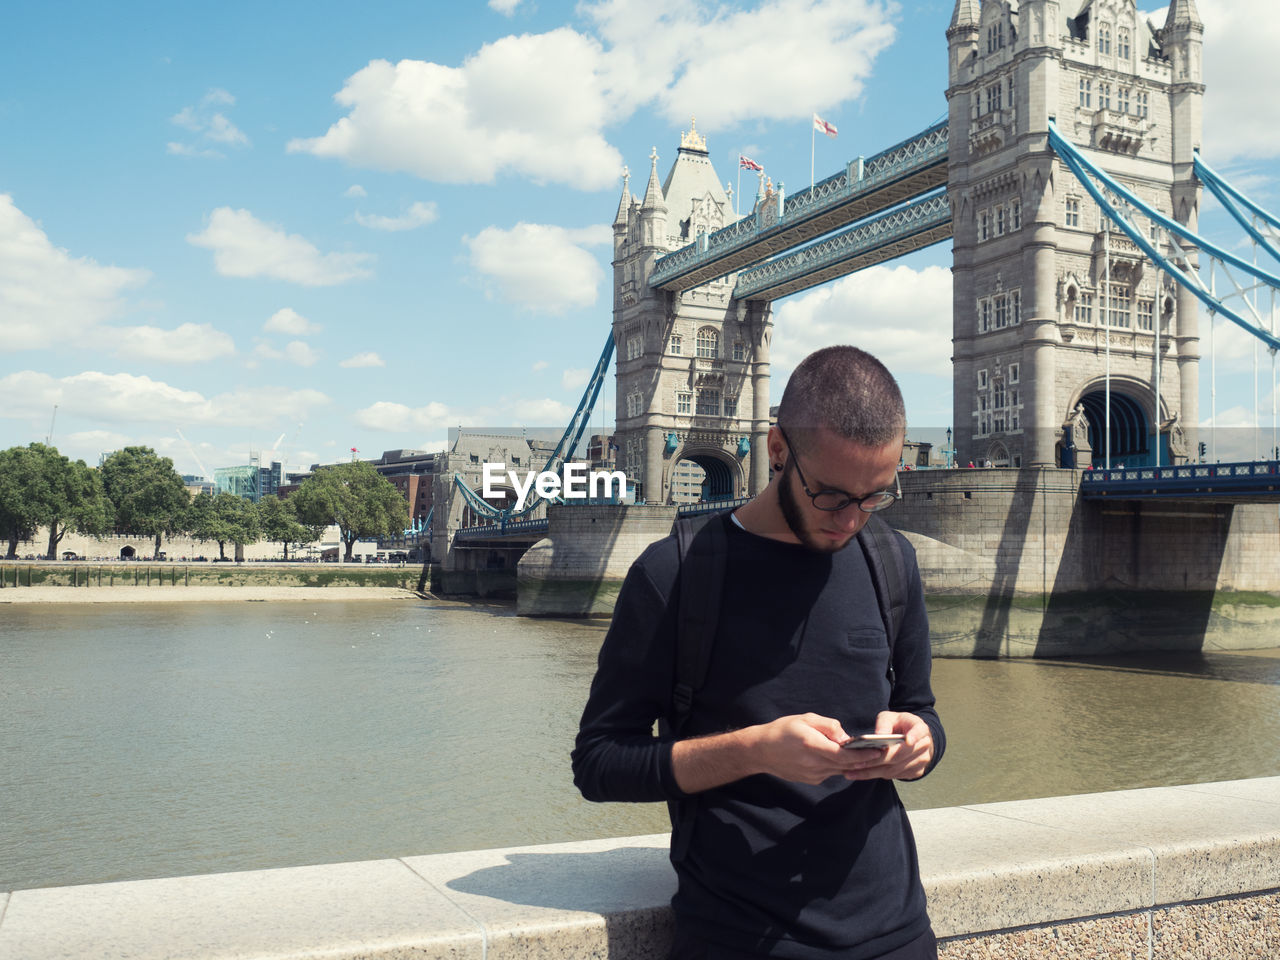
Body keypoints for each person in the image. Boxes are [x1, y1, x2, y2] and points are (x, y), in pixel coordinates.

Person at [572, 346, 945, 960]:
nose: (851, 520)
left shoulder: (891, 562)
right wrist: (756, 750)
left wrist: (919, 746)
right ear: (777, 451)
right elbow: (601, 763)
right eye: (831, 495)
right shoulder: (676, 575)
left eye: (876, 494)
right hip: (740, 940)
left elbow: (922, 713)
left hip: (898, 934)